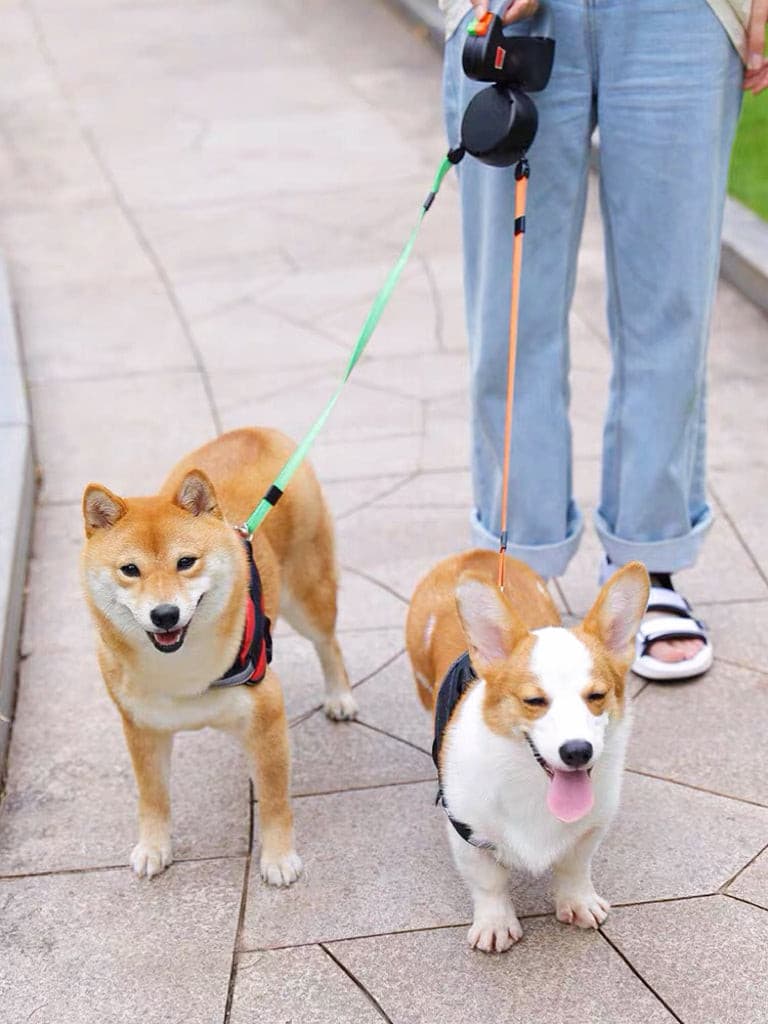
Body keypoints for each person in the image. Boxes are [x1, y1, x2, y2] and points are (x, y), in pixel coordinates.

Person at [440, 0, 767, 680]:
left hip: (681, 15)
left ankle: (647, 568)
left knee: (668, 309)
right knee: (510, 315)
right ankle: (519, 569)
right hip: (513, 14)